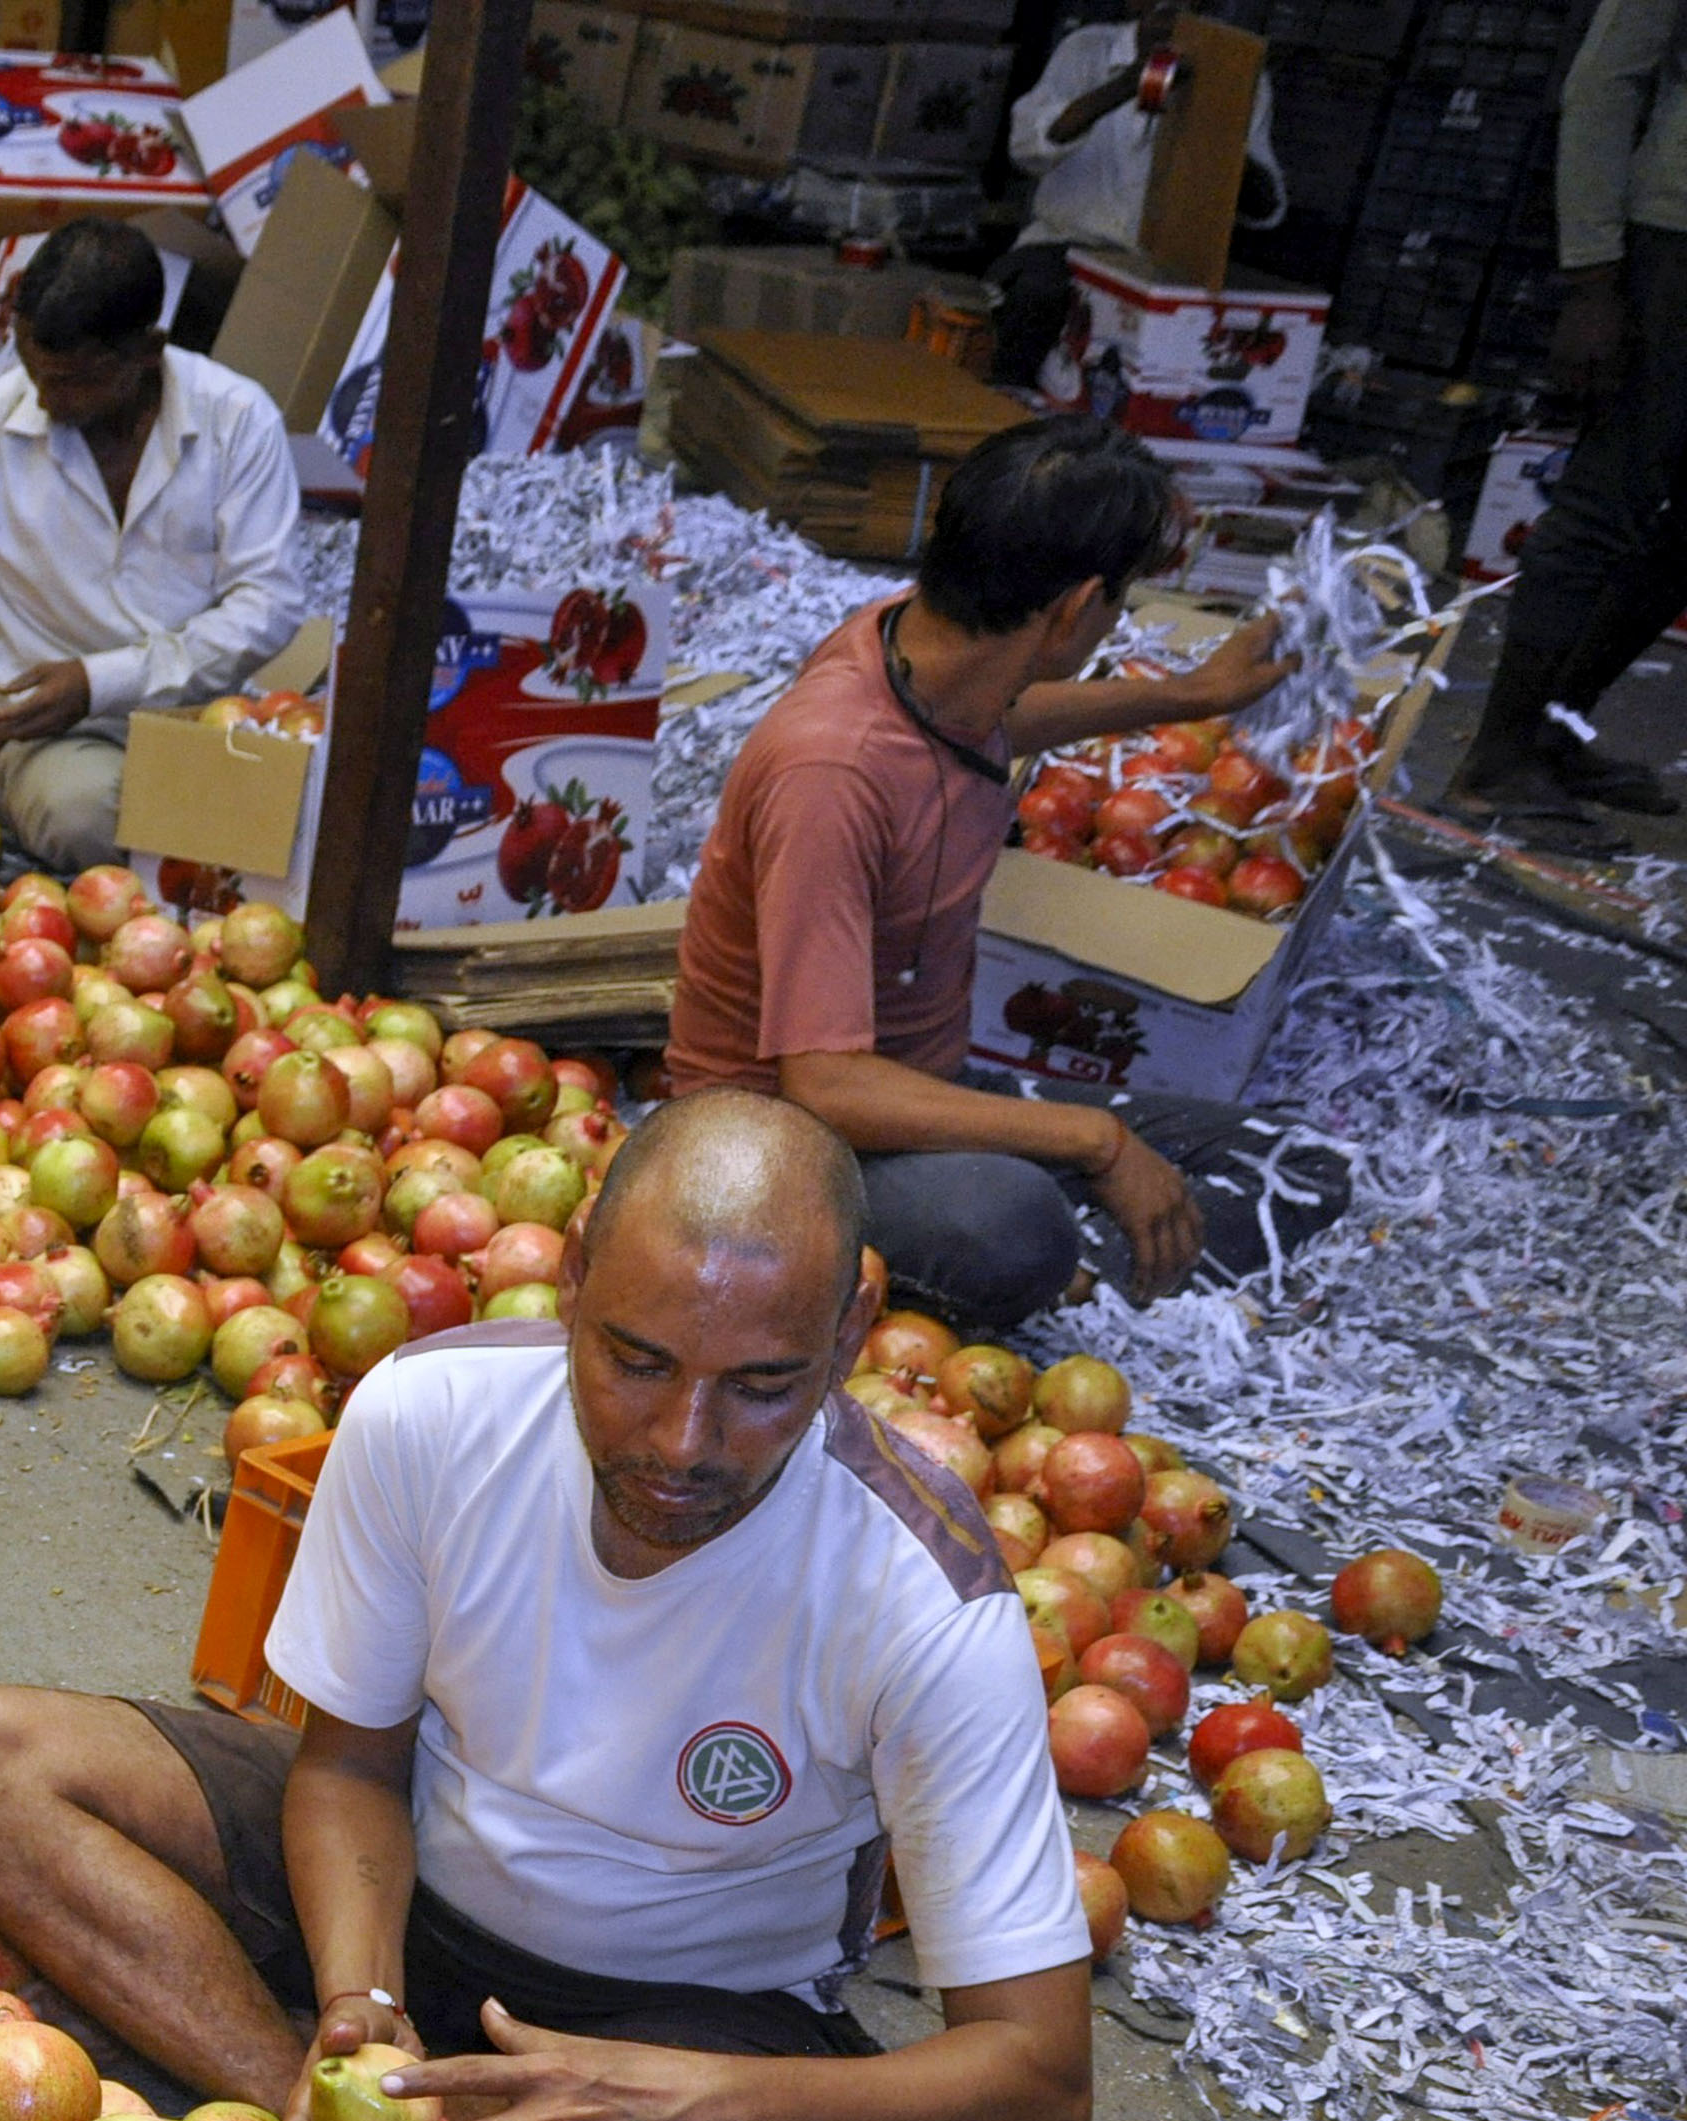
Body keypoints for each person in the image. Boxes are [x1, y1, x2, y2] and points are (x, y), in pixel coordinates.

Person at [0, 1094, 1096, 2121]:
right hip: (413, 1879)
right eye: (635, 1359)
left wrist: (682, 2107)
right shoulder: (434, 1414)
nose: (680, 1444)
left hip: (690, 2012)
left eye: (762, 1386)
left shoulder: (922, 1594)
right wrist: (359, 2002)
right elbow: (352, 1766)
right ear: (575, 1268)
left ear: (853, 1327)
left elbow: (1038, 2082)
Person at [662, 417, 1309, 1330]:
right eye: (1119, 605)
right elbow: (828, 1089)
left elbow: (1007, 714)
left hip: (927, 1088)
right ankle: (1071, 1272)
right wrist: (1096, 1140)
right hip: (776, 1147)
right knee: (1013, 1230)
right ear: (1076, 613)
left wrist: (1190, 695)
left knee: (1294, 1163)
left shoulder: (918, 648)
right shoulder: (831, 774)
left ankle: (1093, 1257)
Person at [0, 216, 298, 870]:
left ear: (148, 352)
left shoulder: (238, 419)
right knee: (86, 819)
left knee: (292, 817)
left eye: (75, 381)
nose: (47, 397)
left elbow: (268, 603)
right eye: (37, 371)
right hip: (48, 734)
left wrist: (102, 681)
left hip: (204, 721)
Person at [1450, 0, 1687, 827]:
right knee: (1606, 502)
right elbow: (1602, 81)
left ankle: (1553, 731)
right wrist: (1593, 274)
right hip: (1676, 249)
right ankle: (1498, 756)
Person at [983, 24, 1283, 392]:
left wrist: (1217, 122)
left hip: (1162, 270)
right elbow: (1026, 147)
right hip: (1065, 250)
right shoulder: (1086, 49)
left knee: (1186, 348)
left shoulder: (1238, 70)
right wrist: (1127, 84)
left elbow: (1267, 208)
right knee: (1034, 296)